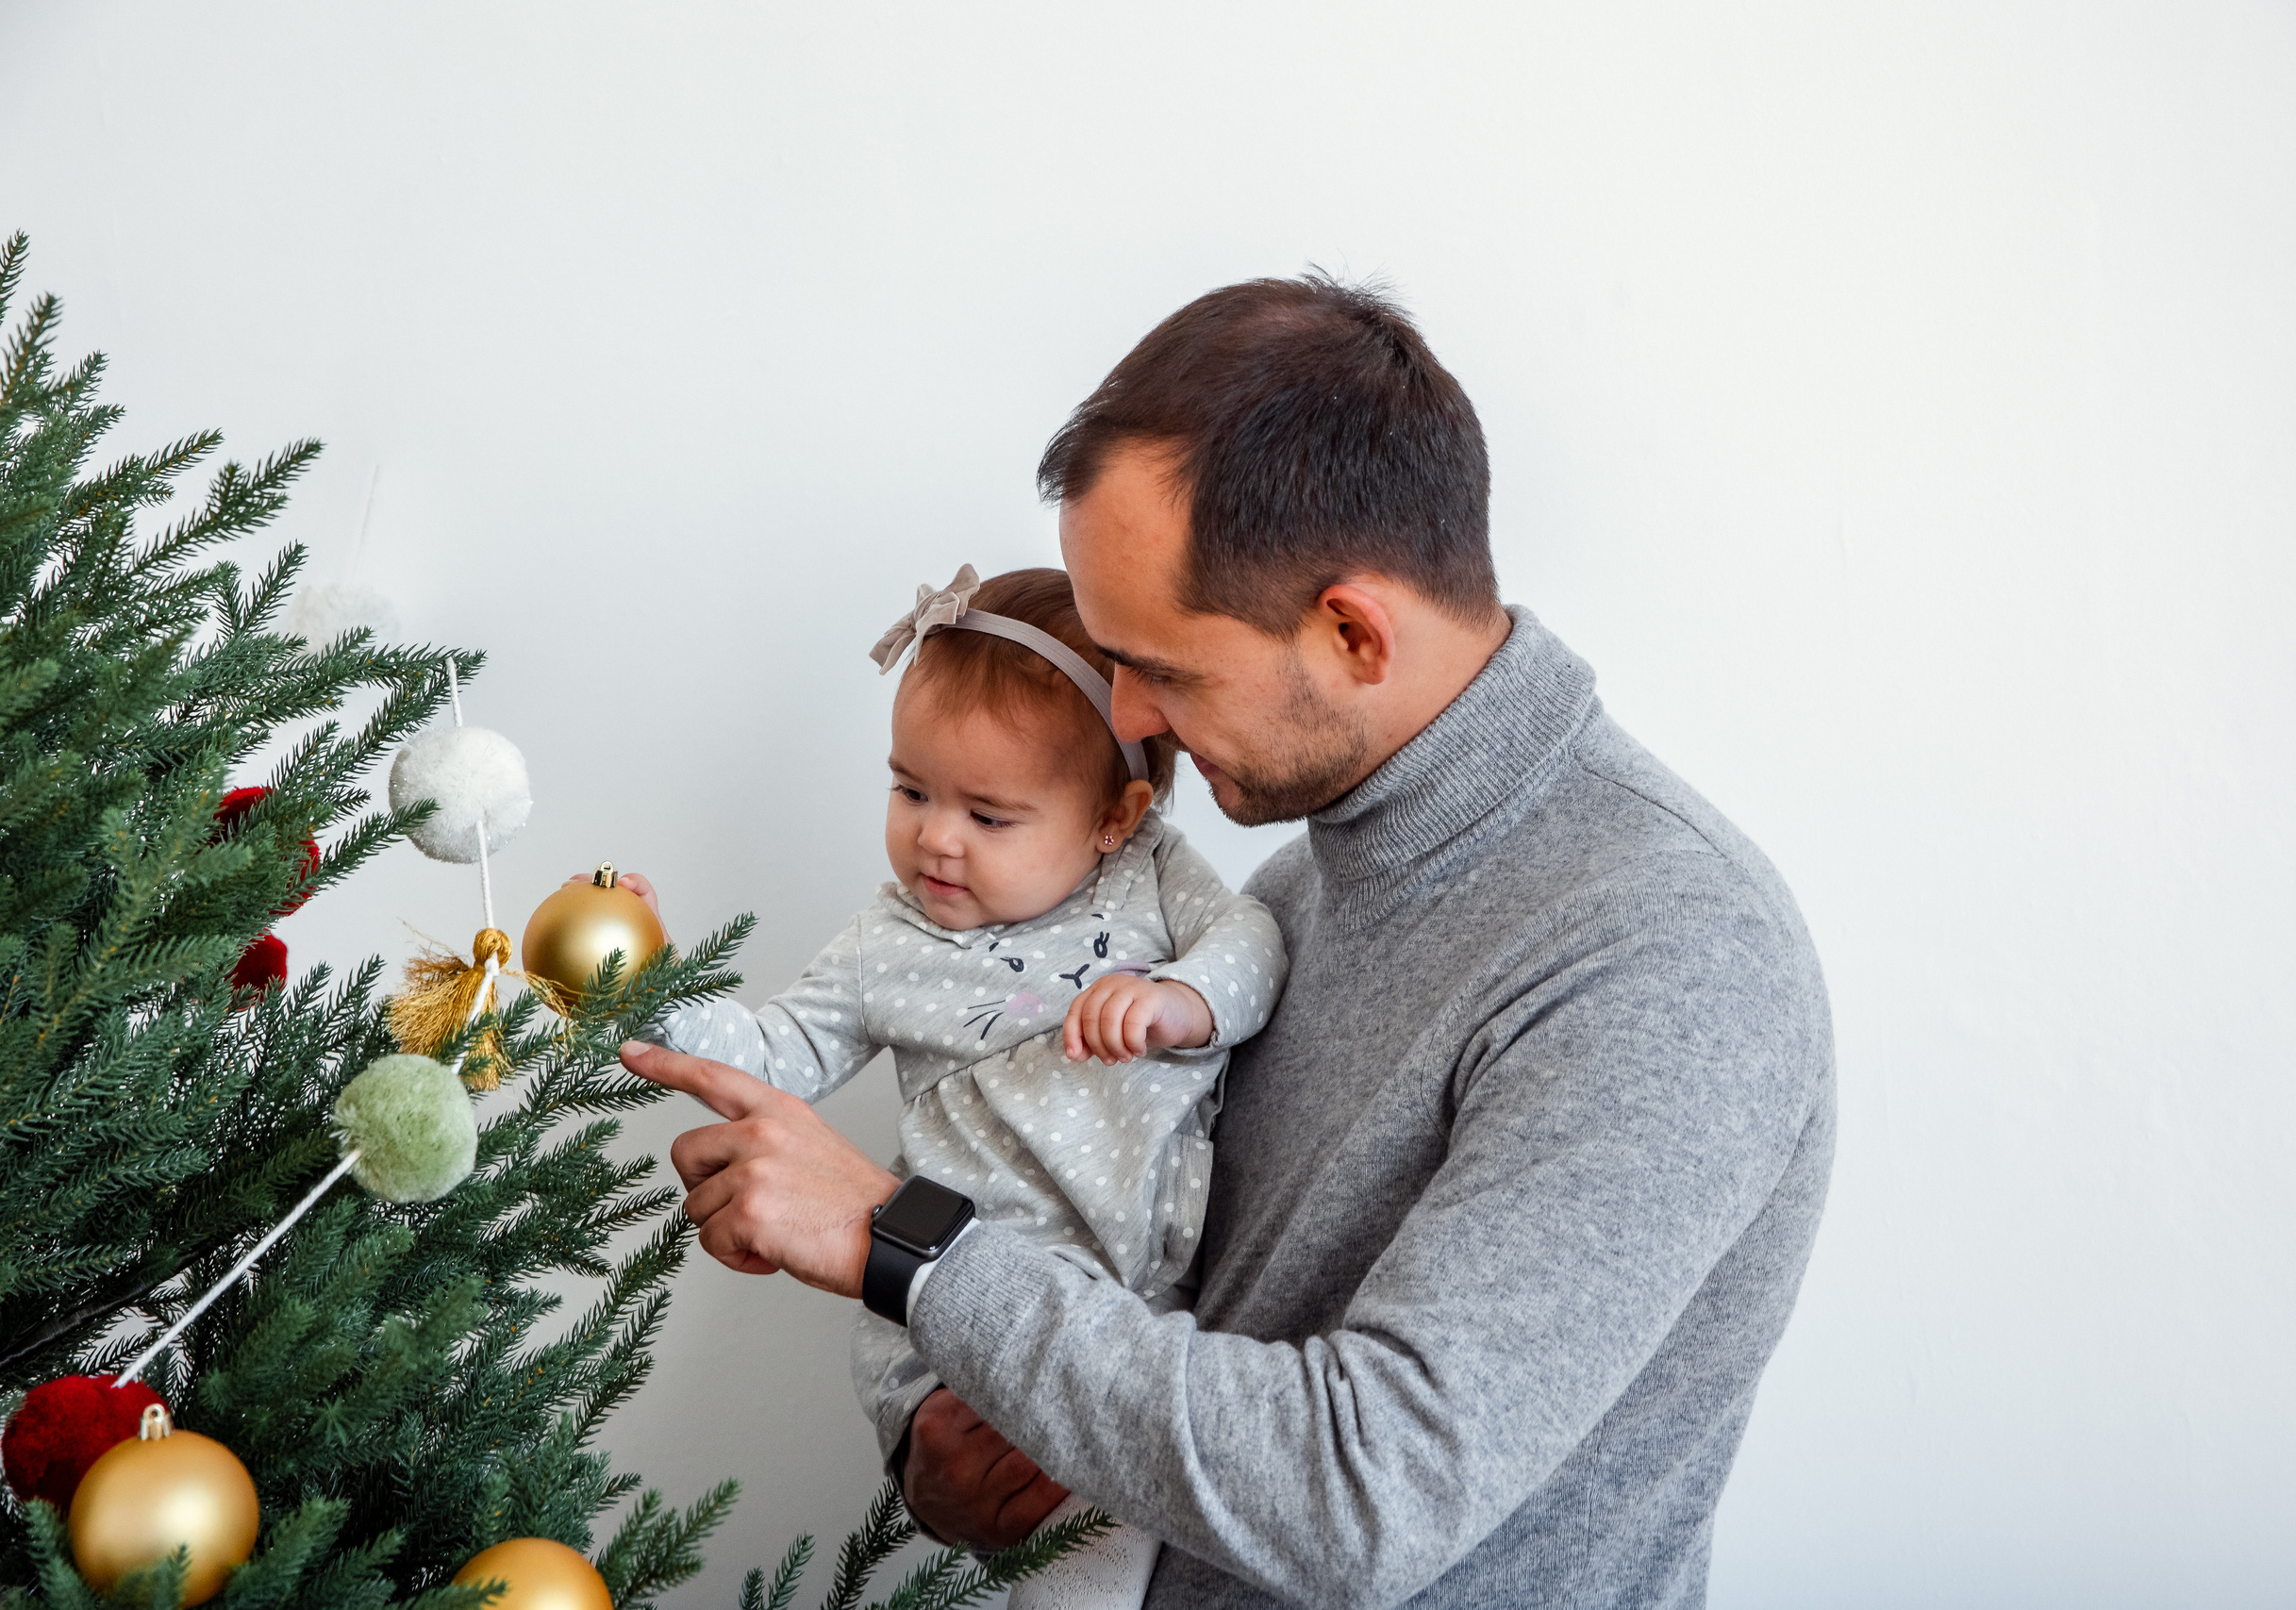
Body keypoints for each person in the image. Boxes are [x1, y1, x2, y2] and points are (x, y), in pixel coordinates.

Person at [623, 274, 1837, 1609]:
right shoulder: (1293, 891)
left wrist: (902, 1237)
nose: (1124, 707)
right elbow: (1157, 1346)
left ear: (1353, 630)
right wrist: (961, 1463)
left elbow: (1361, 1493)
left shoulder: (1665, 950)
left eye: (1166, 667)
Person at [610, 565, 1288, 1610]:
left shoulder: (1152, 876)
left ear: (1116, 815)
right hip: (952, 1312)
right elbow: (771, 1051)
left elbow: (1253, 938)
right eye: (911, 789)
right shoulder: (892, 940)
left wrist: (1183, 1004)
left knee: (1154, 1513)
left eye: (989, 814)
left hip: (1135, 1303)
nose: (935, 837)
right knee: (1068, 1554)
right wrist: (645, 976)